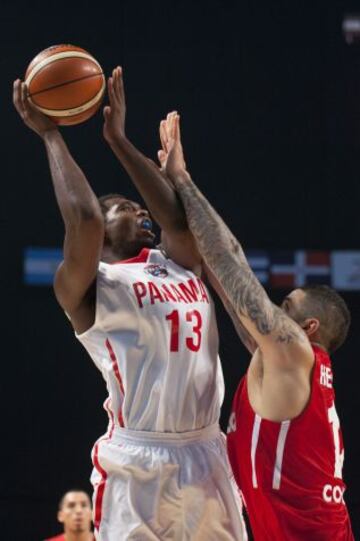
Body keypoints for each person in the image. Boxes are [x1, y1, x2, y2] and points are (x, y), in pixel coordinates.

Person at [13, 68, 247, 540]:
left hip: (205, 451)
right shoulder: (88, 286)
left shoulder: (179, 261)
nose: (141, 212)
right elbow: (81, 216)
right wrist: (51, 134)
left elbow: (179, 220)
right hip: (139, 461)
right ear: (100, 232)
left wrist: (118, 140)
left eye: (141, 209)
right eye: (125, 207)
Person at [162, 112, 355, 540]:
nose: (271, 308)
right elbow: (231, 288)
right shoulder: (284, 366)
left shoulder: (294, 354)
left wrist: (182, 179)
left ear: (307, 328)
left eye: (284, 306)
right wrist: (194, 249)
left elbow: (233, 261)